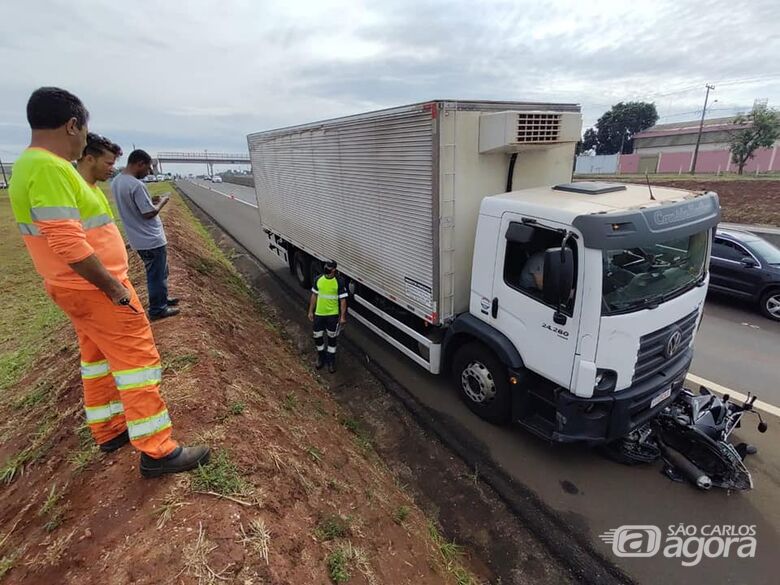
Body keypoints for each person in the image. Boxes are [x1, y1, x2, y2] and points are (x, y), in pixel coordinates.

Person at [9, 87, 209, 478]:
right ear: (72, 125)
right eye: (85, 130)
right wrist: (115, 288)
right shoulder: (50, 169)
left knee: (96, 359)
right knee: (138, 362)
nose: (85, 138)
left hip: (70, 288)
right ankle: (157, 449)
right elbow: (67, 241)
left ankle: (110, 429)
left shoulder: (27, 166)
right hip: (96, 289)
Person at [111, 149, 179, 320]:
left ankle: (161, 299)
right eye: (147, 168)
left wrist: (150, 201)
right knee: (156, 274)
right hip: (150, 239)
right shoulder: (136, 185)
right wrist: (163, 201)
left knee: (159, 272)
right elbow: (148, 213)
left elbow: (136, 207)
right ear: (139, 163)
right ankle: (158, 309)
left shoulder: (117, 181)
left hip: (138, 239)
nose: (148, 173)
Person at [308, 260, 348, 373]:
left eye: (329, 267)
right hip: (319, 314)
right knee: (317, 336)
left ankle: (331, 361)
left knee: (332, 338)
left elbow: (343, 300)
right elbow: (314, 296)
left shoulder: (339, 282)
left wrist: (342, 316)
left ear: (334, 270)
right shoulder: (318, 279)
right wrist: (310, 311)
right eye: (326, 266)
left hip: (332, 315)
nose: (326, 268)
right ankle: (321, 357)